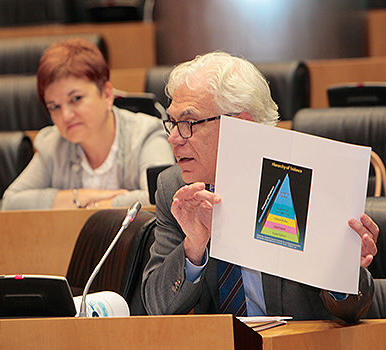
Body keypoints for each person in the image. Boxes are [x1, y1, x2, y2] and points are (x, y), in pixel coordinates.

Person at [141, 51, 379, 323]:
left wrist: (342, 268)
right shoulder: (177, 190)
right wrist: (193, 247)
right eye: (172, 123)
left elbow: (354, 310)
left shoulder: (305, 180)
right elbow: (155, 307)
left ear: (240, 126)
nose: (173, 139)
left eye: (187, 123)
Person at [1, 38, 174, 210]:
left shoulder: (146, 134)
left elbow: (162, 196)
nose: (66, 115)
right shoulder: (53, 143)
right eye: (54, 107)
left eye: (76, 99)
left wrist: (100, 206)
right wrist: (84, 196)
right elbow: (11, 202)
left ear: (106, 94)